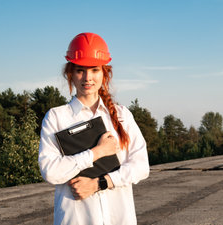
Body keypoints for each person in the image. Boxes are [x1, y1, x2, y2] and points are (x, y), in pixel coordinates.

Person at [38, 32, 150, 225]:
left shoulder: (122, 115)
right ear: (70, 74)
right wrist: (96, 153)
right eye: (80, 70)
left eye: (95, 70)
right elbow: (51, 172)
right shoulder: (56, 117)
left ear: (104, 73)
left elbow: (141, 167)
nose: (87, 78)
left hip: (119, 219)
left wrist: (99, 183)